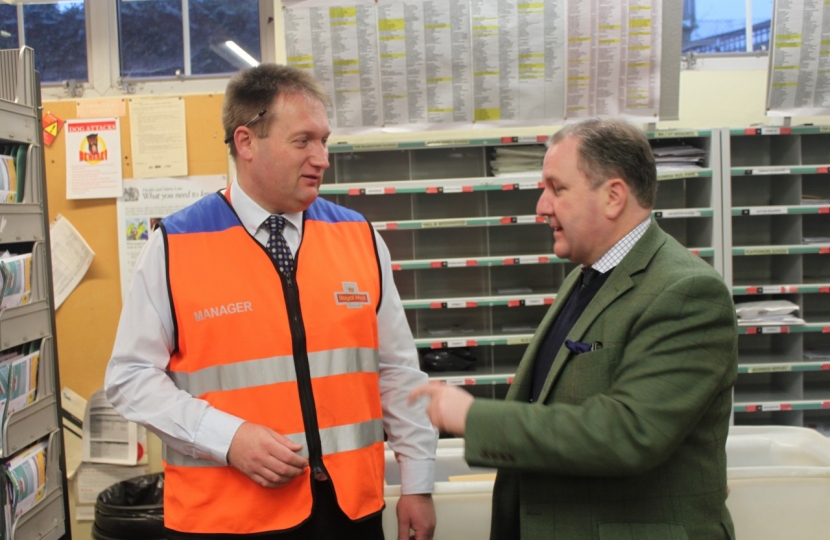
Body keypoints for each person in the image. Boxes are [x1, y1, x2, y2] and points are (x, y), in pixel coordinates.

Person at [105, 64, 437, 540]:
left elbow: (397, 371)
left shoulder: (357, 236)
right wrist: (227, 438)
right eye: (303, 141)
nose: (322, 158)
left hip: (347, 513)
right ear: (246, 142)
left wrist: (417, 483)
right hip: (227, 520)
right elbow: (129, 378)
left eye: (324, 140)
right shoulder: (176, 244)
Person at [411, 118, 738, 540]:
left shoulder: (687, 292)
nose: (541, 206)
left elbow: (629, 432)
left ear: (614, 196)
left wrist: (473, 417)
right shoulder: (588, 276)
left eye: (557, 188)